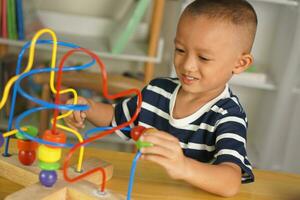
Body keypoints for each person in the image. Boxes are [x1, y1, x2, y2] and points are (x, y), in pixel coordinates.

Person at [64, 0, 257, 197]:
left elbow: (230, 182)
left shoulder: (228, 115)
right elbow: (116, 117)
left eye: (204, 58)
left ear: (240, 63)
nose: (187, 65)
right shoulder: (158, 91)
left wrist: (183, 167)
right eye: (180, 50)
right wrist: (87, 107)